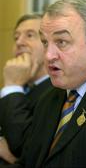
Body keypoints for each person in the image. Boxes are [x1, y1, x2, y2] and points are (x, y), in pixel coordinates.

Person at [1, 0, 86, 168]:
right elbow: (29, 162)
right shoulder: (51, 96)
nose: (48, 55)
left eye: (61, 42)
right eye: (45, 42)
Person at [0, 14, 53, 164]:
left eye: (30, 35)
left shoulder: (59, 92)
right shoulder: (19, 87)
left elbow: (24, 149)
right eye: (16, 37)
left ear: (49, 45)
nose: (19, 42)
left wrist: (12, 86)